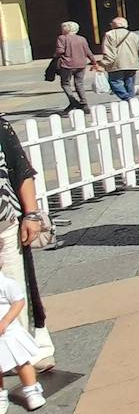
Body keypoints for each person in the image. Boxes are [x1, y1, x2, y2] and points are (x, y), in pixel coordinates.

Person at [0, 114, 55, 372]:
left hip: (6, 224)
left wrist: (31, 214)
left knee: (16, 286)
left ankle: (30, 352)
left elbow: (22, 171)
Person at [0, 267, 46, 414]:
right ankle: (1, 397)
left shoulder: (6, 284)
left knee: (22, 362)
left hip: (9, 333)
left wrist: (6, 321)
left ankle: (31, 390)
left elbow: (18, 302)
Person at [52, 22, 101, 114]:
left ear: (67, 29)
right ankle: (84, 103)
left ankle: (73, 101)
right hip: (81, 64)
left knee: (65, 84)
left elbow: (60, 50)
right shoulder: (82, 39)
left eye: (63, 28)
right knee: (79, 83)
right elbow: (88, 51)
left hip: (67, 64)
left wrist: (55, 55)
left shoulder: (62, 38)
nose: (62, 29)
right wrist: (94, 62)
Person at [99, 16, 139, 101]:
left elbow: (109, 53)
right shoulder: (133, 35)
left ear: (113, 25)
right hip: (132, 64)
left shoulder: (110, 35)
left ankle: (127, 98)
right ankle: (131, 101)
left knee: (115, 83)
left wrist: (102, 64)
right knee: (129, 84)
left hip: (116, 65)